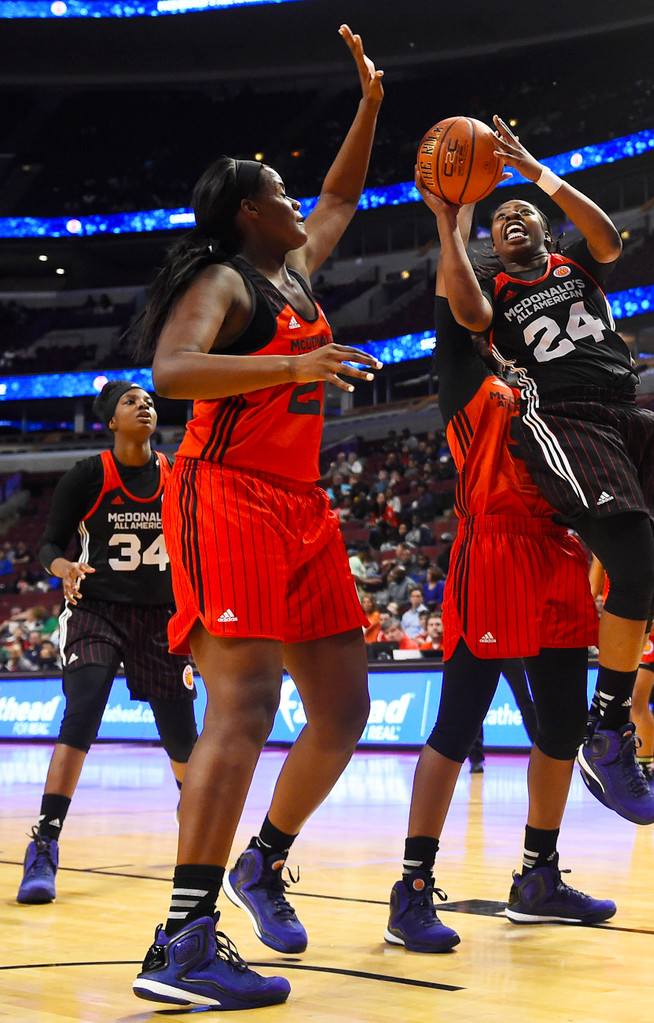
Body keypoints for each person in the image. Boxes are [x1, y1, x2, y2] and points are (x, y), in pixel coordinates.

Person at [128, 26, 383, 1011]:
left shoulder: (294, 270)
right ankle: (182, 939)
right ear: (248, 212)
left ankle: (262, 861)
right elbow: (172, 371)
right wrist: (289, 365)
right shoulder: (221, 281)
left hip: (300, 507)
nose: (295, 202)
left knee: (345, 710)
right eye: (278, 191)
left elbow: (342, 198)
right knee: (242, 708)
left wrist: (367, 103)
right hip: (222, 491)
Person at [422, 115, 654, 826]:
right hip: (559, 418)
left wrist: (535, 172)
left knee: (645, 568)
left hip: (627, 416)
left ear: (543, 226)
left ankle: (609, 723)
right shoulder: (494, 288)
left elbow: (608, 237)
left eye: (521, 215)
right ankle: (610, 728)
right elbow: (466, 315)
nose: (510, 224)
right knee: (626, 550)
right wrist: (452, 227)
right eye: (498, 221)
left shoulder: (578, 267)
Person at [384, 202, 613, 958]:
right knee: (459, 721)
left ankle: (537, 876)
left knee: (562, 726)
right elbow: (458, 297)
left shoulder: (554, 367)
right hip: (494, 551)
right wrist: (457, 217)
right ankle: (411, 888)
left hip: (556, 551)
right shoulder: (463, 366)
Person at [15, 381, 199, 907]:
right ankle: (45, 843)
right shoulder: (89, 473)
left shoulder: (177, 473)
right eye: (129, 401)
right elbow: (50, 541)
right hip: (96, 609)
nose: (144, 404)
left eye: (148, 399)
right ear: (111, 421)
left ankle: (196, 826)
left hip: (162, 616)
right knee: (85, 707)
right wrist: (62, 567)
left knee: (182, 737)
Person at [590, 546, 654, 795]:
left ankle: (645, 771)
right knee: (615, 699)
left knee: (638, 699)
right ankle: (617, 764)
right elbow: (592, 588)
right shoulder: (603, 537)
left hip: (650, 618)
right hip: (616, 621)